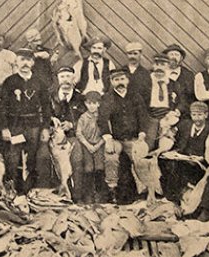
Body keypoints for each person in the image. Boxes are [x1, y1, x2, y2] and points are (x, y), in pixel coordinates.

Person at [0, 48, 51, 194]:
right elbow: (2, 106)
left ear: (33, 62)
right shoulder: (10, 82)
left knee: (32, 158)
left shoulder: (40, 82)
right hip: (15, 125)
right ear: (16, 62)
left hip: (34, 125)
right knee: (13, 158)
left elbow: (47, 107)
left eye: (28, 60)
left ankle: (29, 191)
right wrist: (4, 128)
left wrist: (46, 127)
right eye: (22, 59)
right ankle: (13, 191)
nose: (25, 63)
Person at [98, 68, 149, 204]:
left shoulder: (135, 96)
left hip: (134, 138)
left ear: (127, 80)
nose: (119, 82)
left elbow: (143, 117)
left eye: (122, 79)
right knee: (111, 157)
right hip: (116, 139)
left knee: (141, 158)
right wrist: (108, 139)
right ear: (111, 82)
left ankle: (144, 191)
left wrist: (142, 136)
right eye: (116, 80)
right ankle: (112, 190)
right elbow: (102, 120)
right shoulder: (107, 98)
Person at [49, 66, 86, 203]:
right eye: (62, 77)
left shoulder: (80, 98)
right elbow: (43, 115)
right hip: (54, 138)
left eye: (68, 76)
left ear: (73, 79)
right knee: (45, 158)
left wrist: (72, 125)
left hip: (73, 136)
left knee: (77, 159)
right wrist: (51, 121)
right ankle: (56, 194)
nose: (65, 80)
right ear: (58, 79)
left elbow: (86, 118)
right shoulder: (50, 97)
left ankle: (77, 196)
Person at [143, 54, 185, 149]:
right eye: (157, 64)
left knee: (166, 145)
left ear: (168, 67)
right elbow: (138, 102)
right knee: (148, 145)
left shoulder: (174, 84)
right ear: (153, 66)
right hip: (150, 117)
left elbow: (182, 101)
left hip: (168, 118)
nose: (159, 68)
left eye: (162, 65)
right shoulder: (145, 82)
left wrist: (178, 110)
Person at [76, 91, 107, 203]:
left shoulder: (102, 116)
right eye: (89, 103)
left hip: (99, 145)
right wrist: (88, 145)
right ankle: (88, 194)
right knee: (88, 168)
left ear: (99, 104)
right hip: (87, 146)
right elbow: (79, 133)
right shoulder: (83, 118)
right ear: (85, 104)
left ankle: (100, 194)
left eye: (94, 103)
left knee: (100, 168)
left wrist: (98, 145)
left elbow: (107, 133)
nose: (91, 106)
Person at [175, 101, 209, 187]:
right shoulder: (185, 126)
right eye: (194, 115)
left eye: (200, 115)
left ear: (206, 115)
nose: (197, 118)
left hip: (201, 161)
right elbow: (178, 142)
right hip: (185, 158)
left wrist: (202, 158)